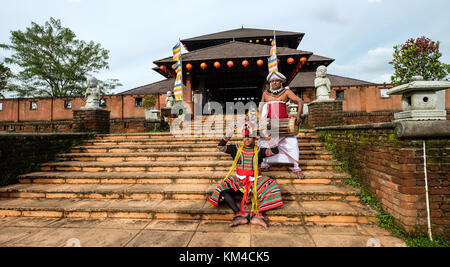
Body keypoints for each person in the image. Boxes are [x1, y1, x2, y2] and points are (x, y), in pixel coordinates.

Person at [208, 122, 283, 228]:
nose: (247, 139)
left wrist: (266, 135)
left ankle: (258, 215)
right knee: (222, 189)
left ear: (255, 138)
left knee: (273, 187)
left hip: (255, 181)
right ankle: (240, 214)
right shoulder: (236, 148)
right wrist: (228, 135)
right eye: (245, 137)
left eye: (250, 137)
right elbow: (220, 147)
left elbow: (275, 150)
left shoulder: (259, 150)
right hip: (239, 181)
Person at [258, 71, 305, 179]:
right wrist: (258, 116)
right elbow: (260, 107)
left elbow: (300, 101)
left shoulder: (286, 92)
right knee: (264, 143)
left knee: (291, 144)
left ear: (281, 82)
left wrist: (298, 115)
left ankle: (296, 167)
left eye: (276, 81)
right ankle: (264, 164)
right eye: (272, 81)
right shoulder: (266, 93)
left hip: (284, 124)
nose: (274, 83)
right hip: (270, 124)